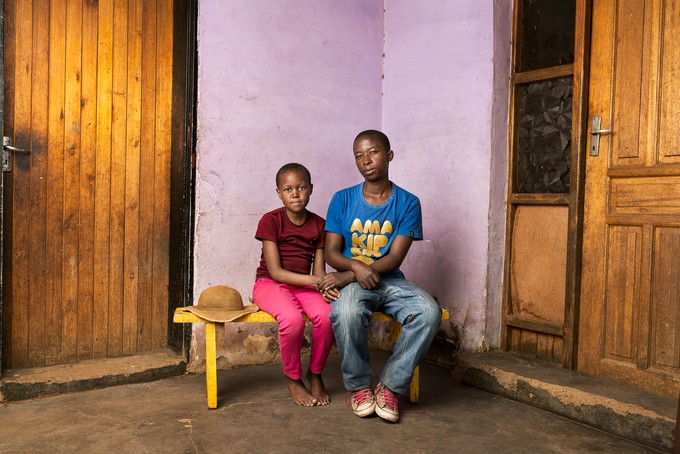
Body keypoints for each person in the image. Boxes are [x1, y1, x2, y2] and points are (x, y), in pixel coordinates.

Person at [316, 130, 441, 422]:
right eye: (358, 155)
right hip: (353, 283)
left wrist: (351, 274)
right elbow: (331, 251)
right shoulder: (342, 199)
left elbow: (395, 257)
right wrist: (355, 270)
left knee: (428, 311)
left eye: (372, 152)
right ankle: (360, 388)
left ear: (389, 155)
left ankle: (389, 387)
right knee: (345, 311)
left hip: (390, 279)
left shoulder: (408, 202)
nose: (365, 160)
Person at [252, 163, 338, 407]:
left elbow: (318, 271)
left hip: (304, 285)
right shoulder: (270, 220)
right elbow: (277, 272)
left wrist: (324, 286)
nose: (295, 194)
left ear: (311, 189)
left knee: (328, 314)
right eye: (288, 189)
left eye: (301, 187)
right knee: (292, 319)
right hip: (269, 283)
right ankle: (292, 377)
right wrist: (316, 281)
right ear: (279, 192)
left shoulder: (320, 225)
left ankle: (316, 373)